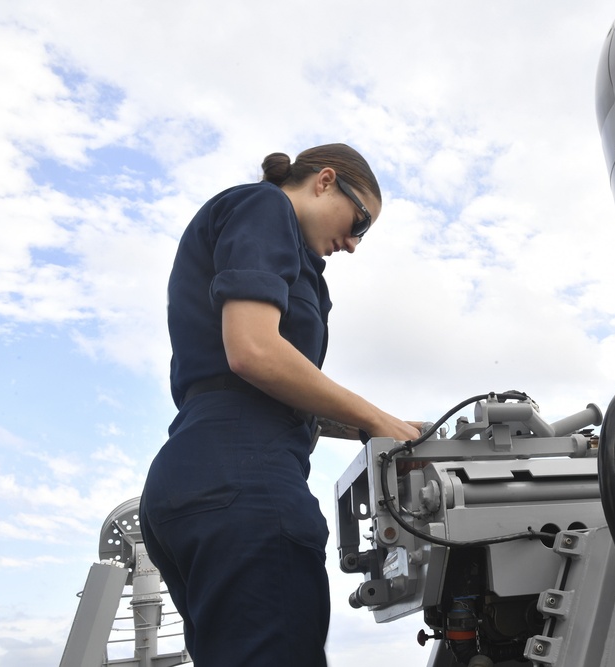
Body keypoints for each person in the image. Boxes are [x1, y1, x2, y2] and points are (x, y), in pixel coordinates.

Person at [139, 143, 420, 667]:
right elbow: (253, 352)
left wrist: (393, 426)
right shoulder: (265, 208)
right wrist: (375, 419)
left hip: (197, 476)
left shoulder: (298, 260)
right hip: (243, 477)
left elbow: (271, 384)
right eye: (361, 222)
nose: (356, 244)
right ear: (325, 181)